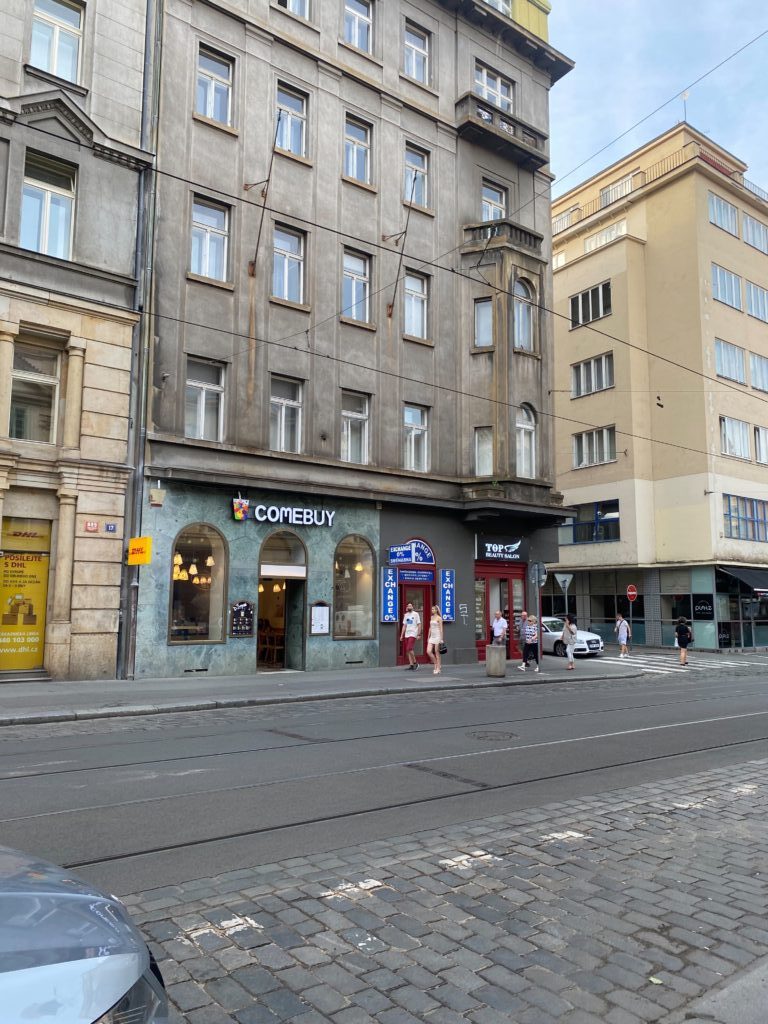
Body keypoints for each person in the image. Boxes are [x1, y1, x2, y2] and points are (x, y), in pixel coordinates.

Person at [400, 601, 422, 670]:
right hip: (407, 634)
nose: (409, 607)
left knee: (409, 648)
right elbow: (404, 625)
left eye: (410, 606)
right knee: (408, 650)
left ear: (412, 607)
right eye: (408, 606)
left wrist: (419, 634)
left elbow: (419, 624)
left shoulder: (416, 614)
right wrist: (401, 635)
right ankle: (411, 665)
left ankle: (415, 663)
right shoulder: (406, 615)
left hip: (413, 633)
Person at [426, 605, 444, 675]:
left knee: (437, 652)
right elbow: (430, 628)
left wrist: (441, 639)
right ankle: (436, 663)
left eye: (433, 609)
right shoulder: (431, 617)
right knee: (428, 651)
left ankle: (438, 668)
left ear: (436, 610)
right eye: (432, 609)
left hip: (437, 636)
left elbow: (441, 629)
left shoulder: (439, 618)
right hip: (432, 636)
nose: (432, 610)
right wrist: (428, 637)